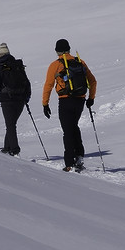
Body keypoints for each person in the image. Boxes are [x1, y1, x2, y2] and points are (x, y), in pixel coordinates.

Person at [40, 38, 96, 171]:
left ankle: (69, 163)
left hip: (65, 100)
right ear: (69, 49)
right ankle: (79, 156)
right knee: (73, 126)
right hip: (80, 100)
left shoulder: (55, 65)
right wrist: (91, 98)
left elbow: (48, 85)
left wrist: (45, 104)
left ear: (57, 51)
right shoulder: (79, 62)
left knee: (67, 131)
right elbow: (93, 81)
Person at [0, 42, 30, 156]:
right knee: (11, 123)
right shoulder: (17, 65)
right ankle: (7, 147)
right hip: (20, 99)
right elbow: (27, 82)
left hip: (7, 99)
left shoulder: (0, 66)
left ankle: (14, 149)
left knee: (10, 125)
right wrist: (27, 96)